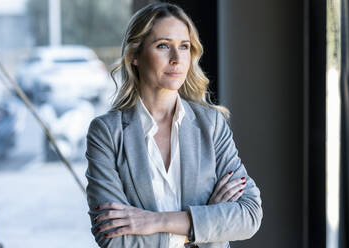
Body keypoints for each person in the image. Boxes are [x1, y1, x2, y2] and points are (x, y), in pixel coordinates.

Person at [85, 3, 262, 248]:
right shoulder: (106, 133)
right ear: (134, 56)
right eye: (163, 46)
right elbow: (112, 238)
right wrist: (203, 223)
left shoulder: (212, 125)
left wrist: (155, 222)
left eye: (184, 47)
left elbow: (249, 215)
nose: (177, 59)